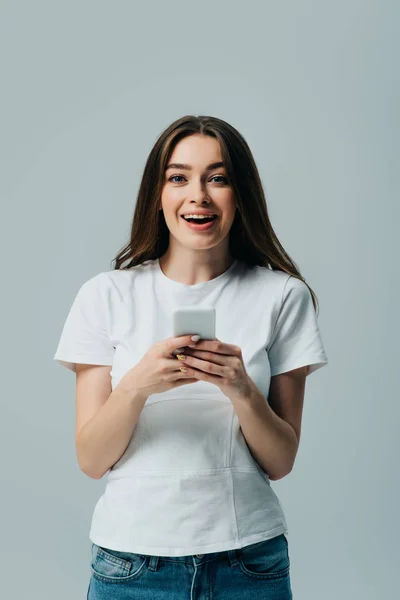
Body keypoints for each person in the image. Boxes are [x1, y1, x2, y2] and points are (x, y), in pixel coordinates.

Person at [54, 114, 328, 599]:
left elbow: (281, 459)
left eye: (217, 178)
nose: (198, 194)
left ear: (240, 194)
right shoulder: (106, 295)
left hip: (249, 563)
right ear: (157, 194)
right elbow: (91, 459)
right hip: (131, 566)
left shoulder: (283, 297)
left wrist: (242, 389)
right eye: (178, 177)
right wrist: (138, 384)